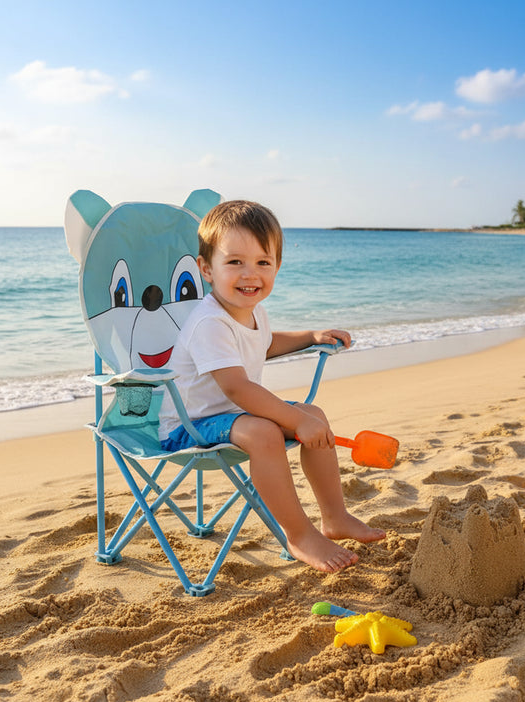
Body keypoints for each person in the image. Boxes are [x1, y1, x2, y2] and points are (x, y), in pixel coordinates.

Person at [158, 199, 385, 572]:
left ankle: (335, 517)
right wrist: (294, 423)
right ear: (206, 269)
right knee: (267, 430)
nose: (250, 274)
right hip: (189, 425)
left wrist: (310, 336)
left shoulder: (251, 312)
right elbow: (237, 388)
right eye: (235, 262)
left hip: (231, 416)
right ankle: (298, 534)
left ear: (277, 266)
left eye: (263, 262)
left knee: (314, 413)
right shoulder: (209, 323)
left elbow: (265, 342)